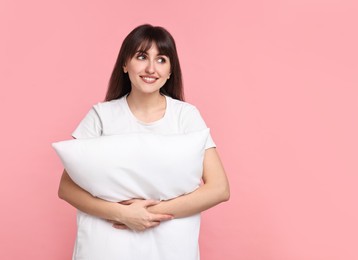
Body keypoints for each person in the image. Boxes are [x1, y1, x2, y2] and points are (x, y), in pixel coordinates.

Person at [58, 24, 230, 260]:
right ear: (125, 64)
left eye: (161, 59)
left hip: (170, 248)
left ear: (171, 71)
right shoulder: (101, 115)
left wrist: (148, 214)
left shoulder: (186, 116)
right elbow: (66, 188)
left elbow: (219, 188)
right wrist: (122, 214)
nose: (151, 68)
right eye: (141, 56)